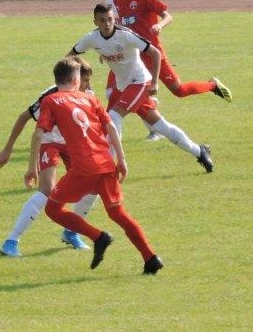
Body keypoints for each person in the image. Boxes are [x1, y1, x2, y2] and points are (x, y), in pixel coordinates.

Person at [25, 57, 163, 274]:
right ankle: (151, 258)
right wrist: (121, 159)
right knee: (118, 213)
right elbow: (111, 127)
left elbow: (38, 135)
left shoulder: (51, 101)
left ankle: (99, 237)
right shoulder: (90, 99)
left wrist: (32, 167)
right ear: (75, 80)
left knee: (53, 209)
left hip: (83, 168)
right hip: (106, 163)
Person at [69, 3, 214, 173]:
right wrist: (83, 77)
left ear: (114, 19)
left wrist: (154, 83)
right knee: (160, 126)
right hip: (123, 86)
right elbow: (70, 57)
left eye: (110, 19)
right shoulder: (92, 38)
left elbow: (155, 53)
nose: (107, 24)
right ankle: (200, 151)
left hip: (140, 82)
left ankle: (108, 168)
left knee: (112, 117)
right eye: (102, 20)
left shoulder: (125, 35)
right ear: (95, 22)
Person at [106, 0, 231, 141]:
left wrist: (159, 25)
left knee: (179, 90)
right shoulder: (117, 2)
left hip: (154, 55)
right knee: (118, 92)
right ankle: (145, 129)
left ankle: (212, 85)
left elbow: (168, 15)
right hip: (133, 57)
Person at [0, 57, 98, 256]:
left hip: (73, 144)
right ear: (74, 79)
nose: (88, 86)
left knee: (93, 186)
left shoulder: (88, 95)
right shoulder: (51, 96)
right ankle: (11, 241)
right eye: (85, 81)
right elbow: (25, 118)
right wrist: (8, 149)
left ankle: (71, 232)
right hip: (50, 142)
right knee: (47, 190)